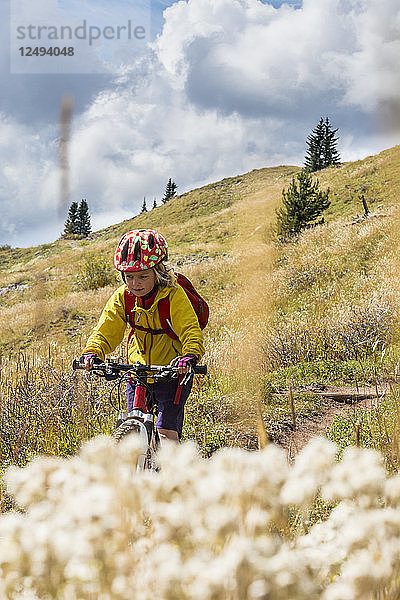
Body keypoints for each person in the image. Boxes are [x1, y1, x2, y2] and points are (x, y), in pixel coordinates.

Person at [79, 229, 205, 442]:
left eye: (143, 276)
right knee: (132, 430)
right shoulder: (123, 297)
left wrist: (190, 356)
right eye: (129, 277)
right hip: (136, 368)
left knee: (166, 435)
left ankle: (173, 474)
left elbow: (190, 329)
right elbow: (106, 328)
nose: (135, 284)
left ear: (158, 272)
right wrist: (92, 352)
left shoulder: (173, 294)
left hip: (172, 370)